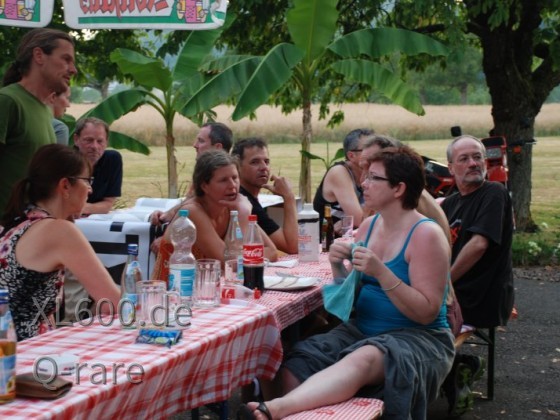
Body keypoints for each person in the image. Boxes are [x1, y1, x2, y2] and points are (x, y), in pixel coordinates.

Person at [241, 146, 454, 419]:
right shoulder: (369, 227)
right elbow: (345, 304)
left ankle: (271, 410)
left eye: (373, 178)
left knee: (365, 357)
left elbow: (427, 313)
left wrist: (382, 273)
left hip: (418, 340)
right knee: (296, 365)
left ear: (398, 188)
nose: (363, 184)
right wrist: (337, 268)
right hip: (362, 331)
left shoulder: (425, 235)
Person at [0, 144, 121, 341]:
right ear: (65, 185)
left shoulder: (15, 223)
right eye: (87, 181)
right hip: (20, 357)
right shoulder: (59, 231)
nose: (90, 189)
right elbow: (113, 303)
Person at [440, 134, 514, 415]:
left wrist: (442, 282)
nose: (473, 163)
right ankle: (458, 368)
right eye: (464, 159)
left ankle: (450, 373)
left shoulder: (494, 193)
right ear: (450, 168)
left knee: (416, 316)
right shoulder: (451, 202)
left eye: (477, 157)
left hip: (482, 295)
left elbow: (479, 244)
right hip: (458, 291)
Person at [151, 150, 278, 281]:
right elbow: (229, 263)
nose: (232, 185)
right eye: (223, 180)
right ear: (204, 186)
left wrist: (245, 256)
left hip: (208, 291)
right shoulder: (192, 212)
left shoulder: (232, 207)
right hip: (173, 295)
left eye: (235, 178)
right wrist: (244, 216)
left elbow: (272, 251)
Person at [0, 28, 77, 219]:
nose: (73, 70)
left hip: (33, 232)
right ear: (39, 55)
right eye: (66, 59)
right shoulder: (8, 101)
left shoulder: (44, 109)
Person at [150, 122, 233, 233]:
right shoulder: (205, 173)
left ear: (217, 147)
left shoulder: (225, 184)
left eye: (201, 141)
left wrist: (167, 236)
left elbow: (194, 210)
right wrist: (165, 215)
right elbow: (190, 202)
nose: (195, 145)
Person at [231, 138, 298, 254]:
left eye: (266, 162)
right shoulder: (244, 201)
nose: (264, 168)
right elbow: (292, 246)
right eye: (255, 162)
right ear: (237, 168)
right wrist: (289, 197)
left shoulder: (248, 196)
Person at [313, 128, 373, 235]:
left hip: (351, 239)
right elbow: (360, 220)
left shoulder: (372, 173)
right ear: (351, 156)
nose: (375, 154)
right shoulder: (339, 172)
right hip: (326, 243)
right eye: (368, 149)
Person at [73, 117, 123, 215]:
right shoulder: (65, 161)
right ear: (76, 139)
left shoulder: (112, 160)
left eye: (100, 141)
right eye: (89, 140)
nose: (95, 147)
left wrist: (82, 208)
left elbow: (108, 204)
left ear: (106, 142)